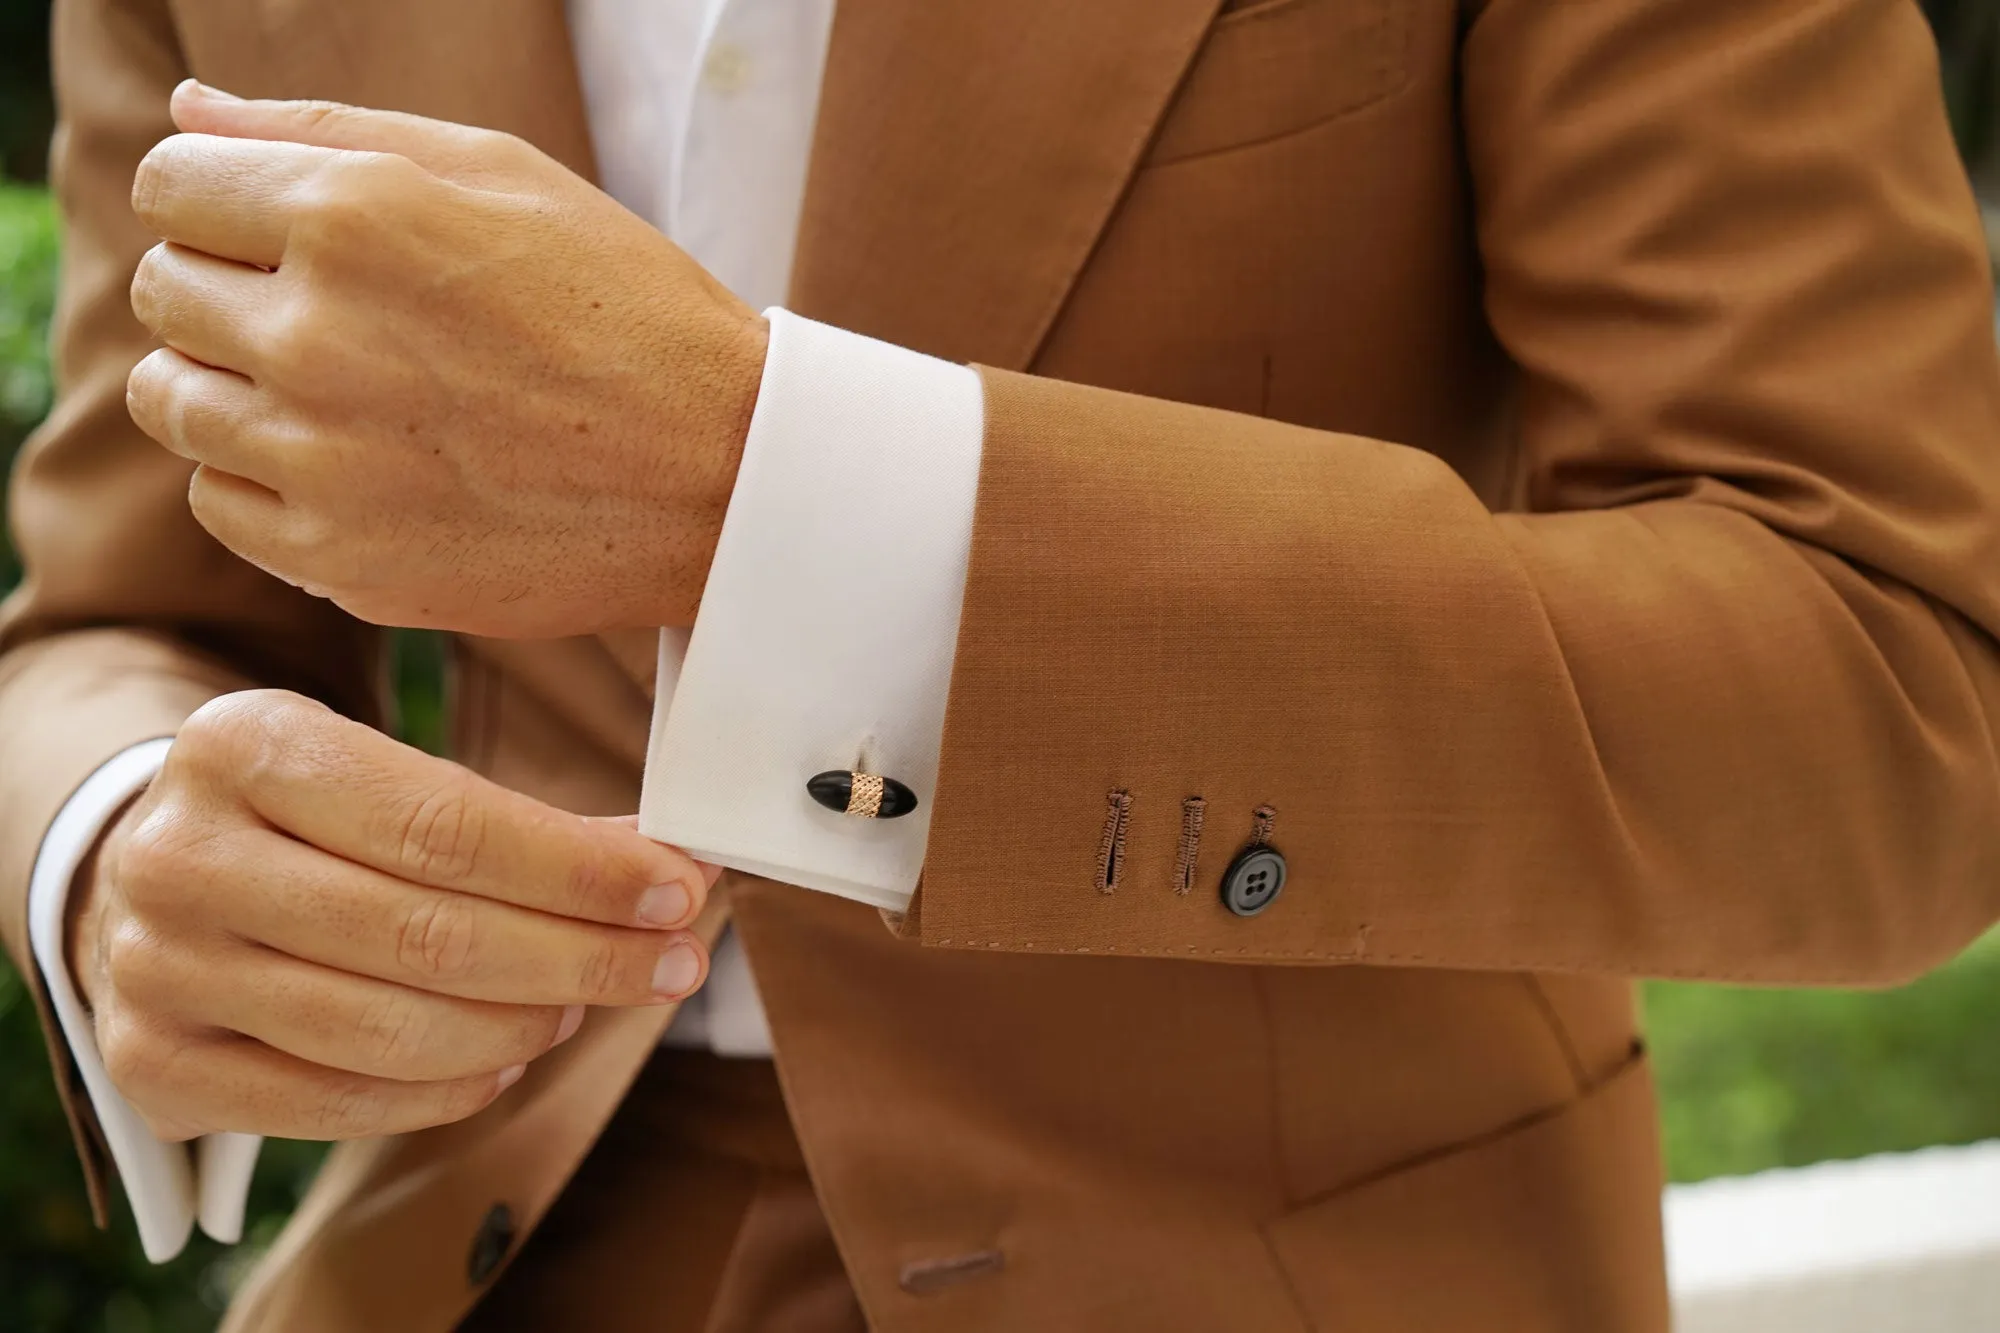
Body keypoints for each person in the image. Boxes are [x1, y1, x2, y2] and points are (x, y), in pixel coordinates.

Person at [4, 0, 1999, 1328]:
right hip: (489, 1248)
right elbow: (111, 609)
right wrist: (114, 846)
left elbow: (1896, 689)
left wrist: (759, 478)